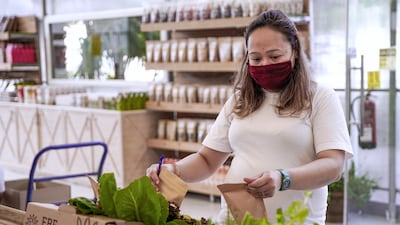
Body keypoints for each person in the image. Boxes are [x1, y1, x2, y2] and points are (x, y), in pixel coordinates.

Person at [147, 9, 353, 225]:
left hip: (295, 220)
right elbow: (207, 161)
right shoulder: (240, 100)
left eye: (274, 56)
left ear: (295, 52)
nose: (264, 64)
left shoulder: (320, 97)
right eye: (255, 58)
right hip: (235, 218)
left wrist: (283, 178)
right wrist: (175, 170)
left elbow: (333, 165)